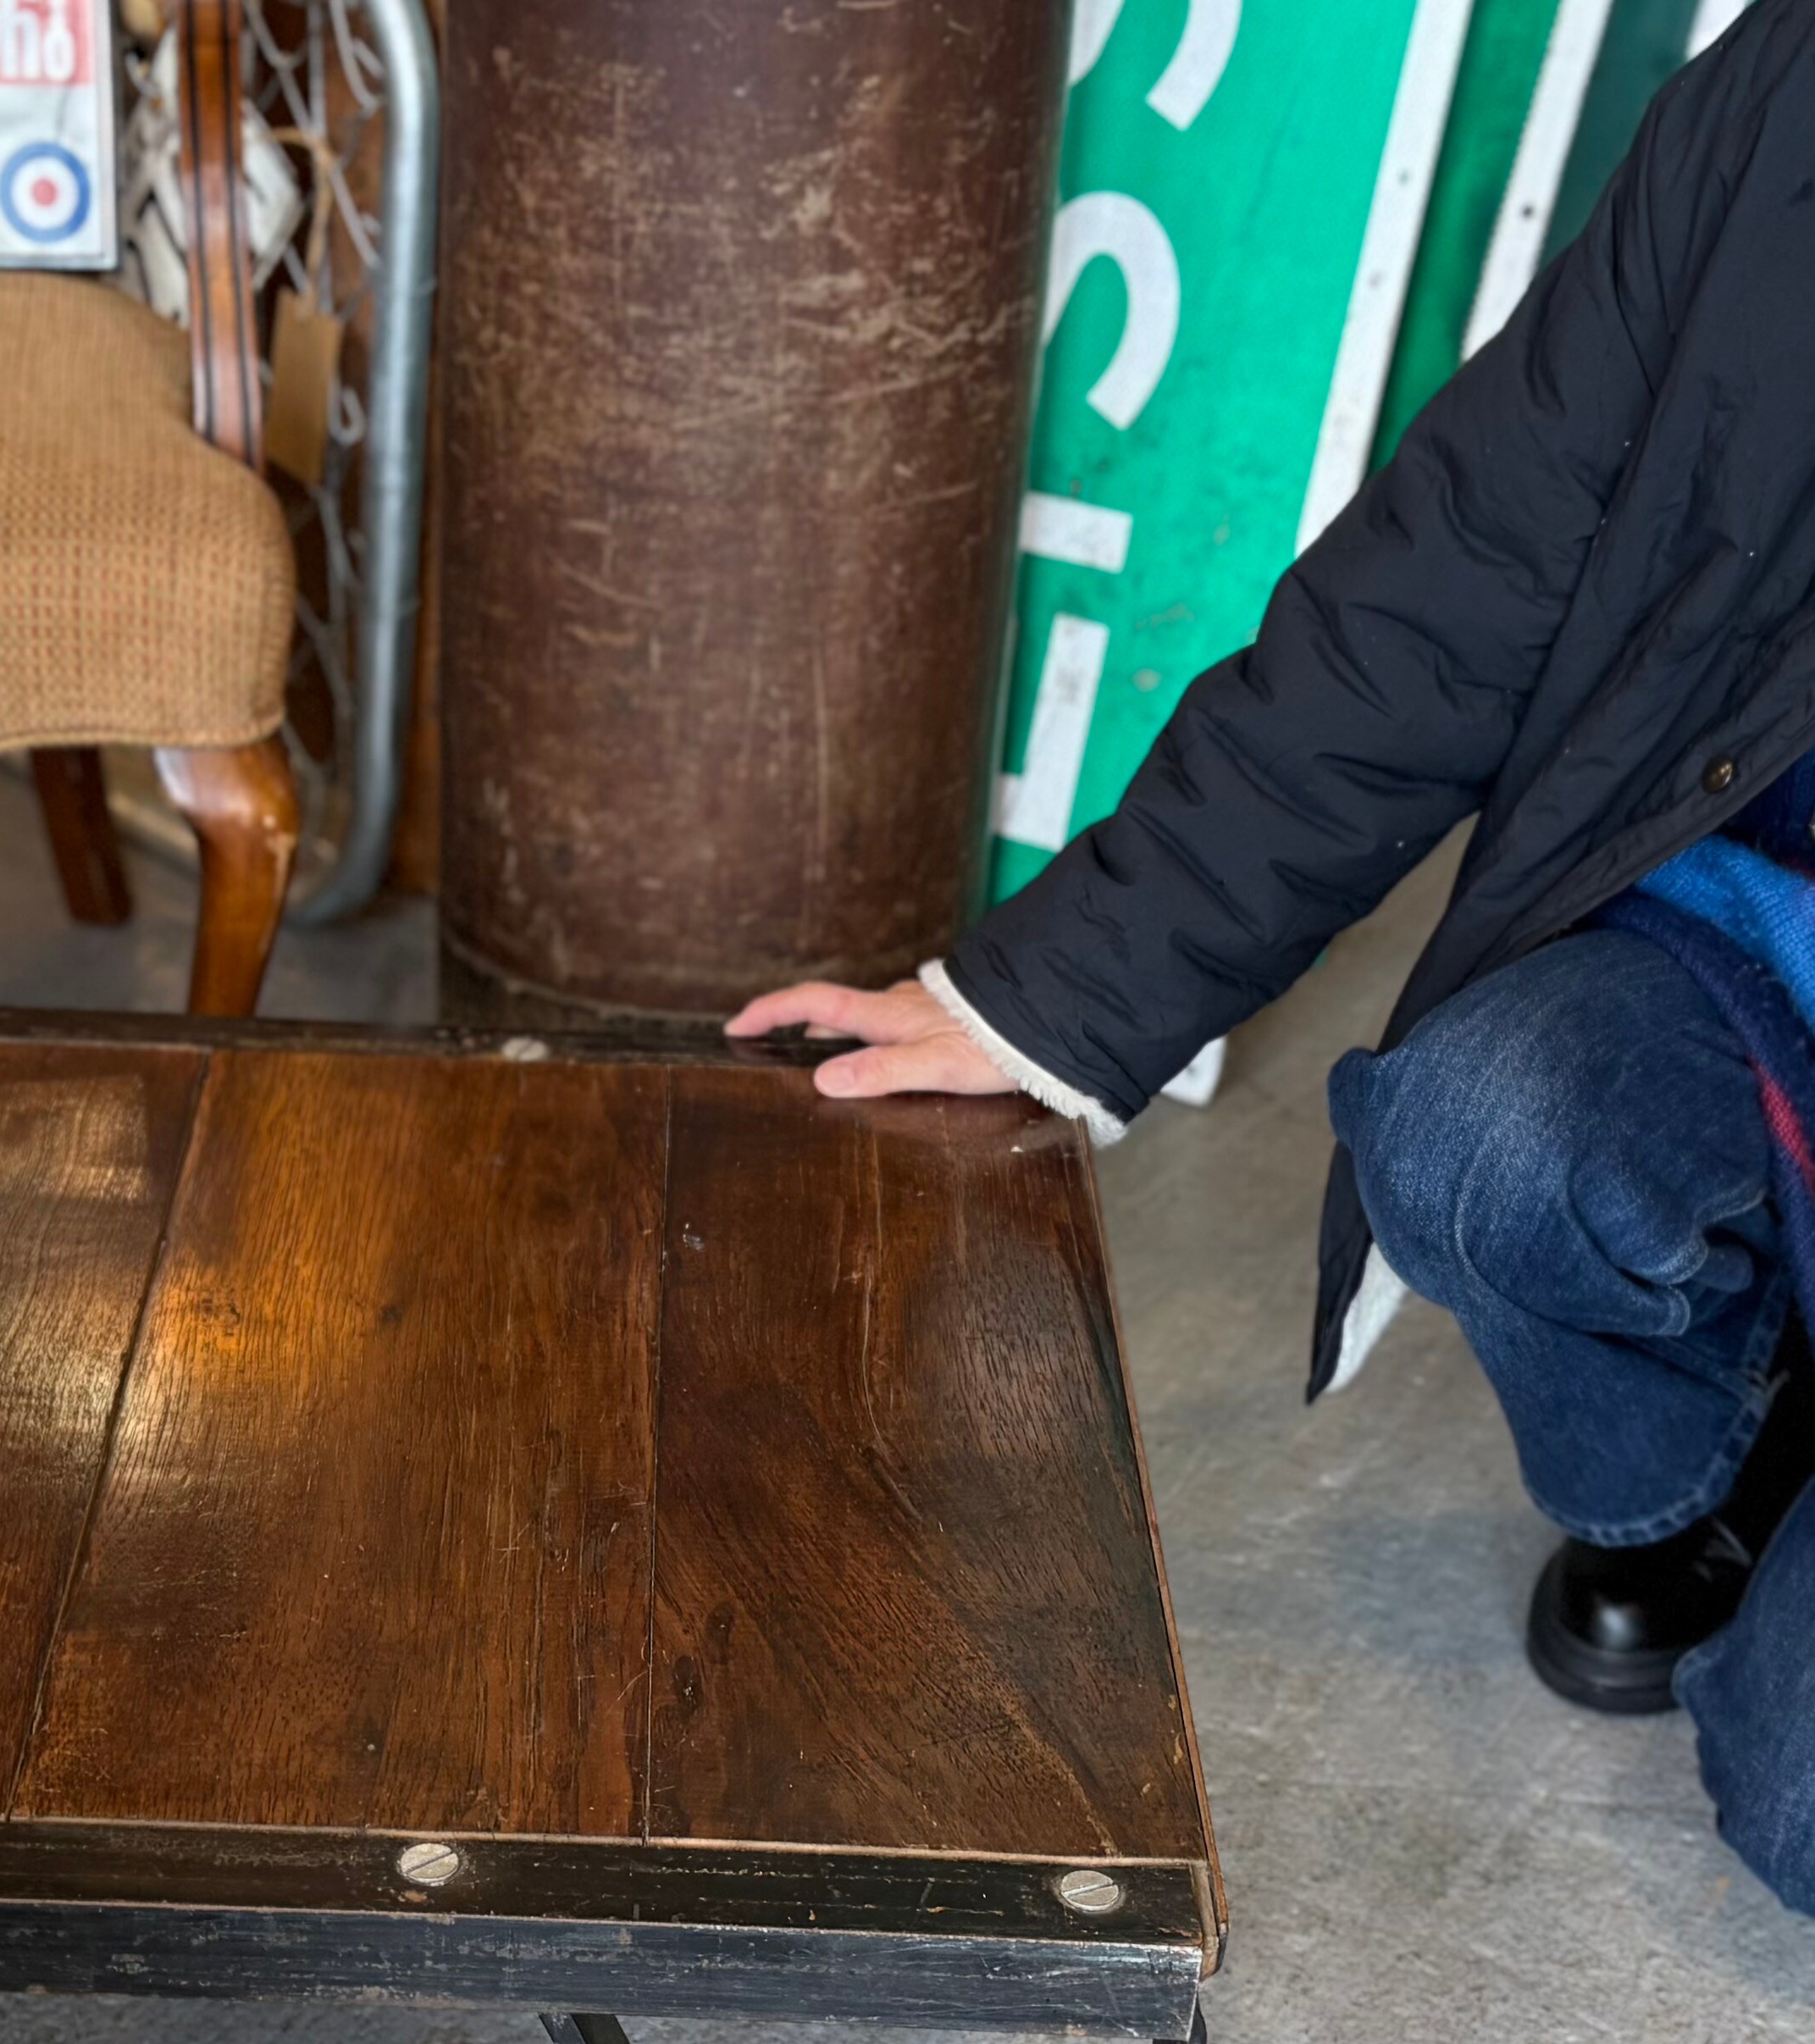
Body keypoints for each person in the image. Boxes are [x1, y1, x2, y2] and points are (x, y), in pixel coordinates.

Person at [737, 0, 1815, 1922]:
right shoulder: (1790, 84)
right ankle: (1713, 1467)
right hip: (1751, 949)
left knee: (1799, 1807)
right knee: (1480, 1128)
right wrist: (1054, 993)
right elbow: (1466, 560)